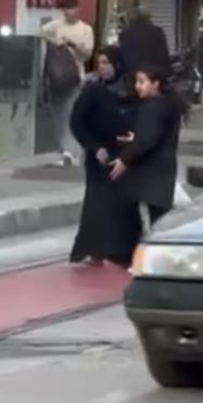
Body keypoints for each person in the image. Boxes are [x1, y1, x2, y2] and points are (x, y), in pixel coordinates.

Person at [109, 65, 184, 260]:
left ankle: (146, 256)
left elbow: (147, 139)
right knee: (159, 217)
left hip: (151, 170)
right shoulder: (167, 104)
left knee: (150, 218)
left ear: (155, 84)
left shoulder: (154, 107)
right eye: (137, 81)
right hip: (162, 169)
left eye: (142, 82)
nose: (137, 86)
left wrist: (125, 158)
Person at [69, 46, 133, 266]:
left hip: (125, 157)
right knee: (96, 204)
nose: (103, 68)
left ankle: (121, 251)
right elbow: (77, 122)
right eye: (100, 63)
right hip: (99, 158)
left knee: (123, 206)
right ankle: (91, 249)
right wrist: (94, 147)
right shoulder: (93, 91)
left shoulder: (130, 90)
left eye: (107, 63)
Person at [41, 0, 94, 166]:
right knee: (58, 116)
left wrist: (72, 45)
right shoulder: (56, 25)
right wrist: (54, 41)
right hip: (55, 77)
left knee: (71, 113)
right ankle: (65, 148)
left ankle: (71, 151)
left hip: (75, 77)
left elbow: (87, 53)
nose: (67, 13)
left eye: (70, 9)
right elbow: (41, 32)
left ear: (77, 9)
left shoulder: (85, 29)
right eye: (64, 9)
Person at [119, 9, 171, 78]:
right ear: (148, 18)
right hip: (153, 73)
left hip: (132, 73)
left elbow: (123, 55)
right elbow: (163, 54)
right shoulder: (157, 31)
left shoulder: (125, 34)